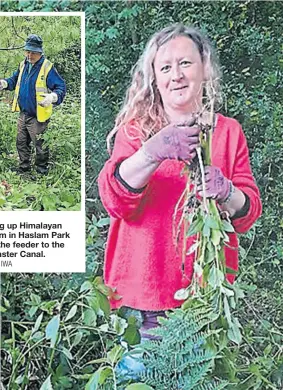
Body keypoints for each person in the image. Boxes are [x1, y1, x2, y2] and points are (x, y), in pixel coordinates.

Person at [98, 24, 262, 343]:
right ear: (155, 79)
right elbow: (114, 201)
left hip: (206, 300)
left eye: (185, 63)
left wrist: (227, 191)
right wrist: (152, 152)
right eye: (166, 67)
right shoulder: (134, 132)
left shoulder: (227, 133)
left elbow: (248, 212)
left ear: (204, 68)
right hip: (143, 300)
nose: (177, 75)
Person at [0, 34, 66, 175]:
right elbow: (14, 80)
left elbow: (60, 87)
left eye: (33, 52)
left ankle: (41, 172)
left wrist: (52, 97)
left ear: (40, 52)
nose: (29, 55)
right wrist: (4, 83)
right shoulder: (23, 64)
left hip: (38, 115)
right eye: (28, 51)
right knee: (21, 142)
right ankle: (24, 170)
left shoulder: (47, 67)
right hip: (23, 113)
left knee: (40, 145)